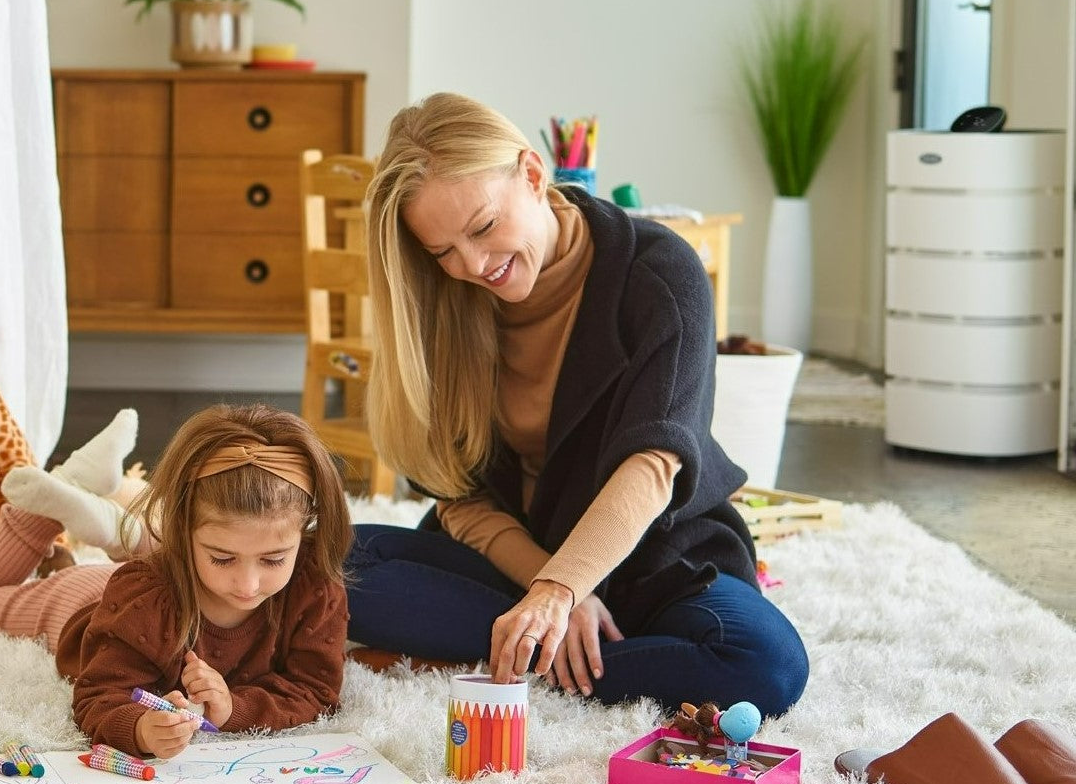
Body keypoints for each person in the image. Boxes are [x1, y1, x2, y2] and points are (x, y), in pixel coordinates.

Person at [344, 92, 809, 718]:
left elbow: (653, 464)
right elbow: (463, 499)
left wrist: (564, 588)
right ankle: (554, 649)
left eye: (482, 228)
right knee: (328, 560)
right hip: (514, 566)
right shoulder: (445, 300)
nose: (474, 266)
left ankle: (502, 657)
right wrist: (549, 587)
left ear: (533, 175)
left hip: (653, 560)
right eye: (443, 251)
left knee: (766, 666)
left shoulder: (659, 272)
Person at [0, 404, 351, 759]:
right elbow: (97, 698)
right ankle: (52, 499)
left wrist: (233, 708)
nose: (248, 585)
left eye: (274, 559)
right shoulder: (144, 597)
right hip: (81, 603)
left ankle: (77, 514)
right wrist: (141, 730)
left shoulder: (314, 584)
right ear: (180, 531)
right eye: (222, 558)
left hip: (143, 587)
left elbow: (315, 690)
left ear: (303, 531)